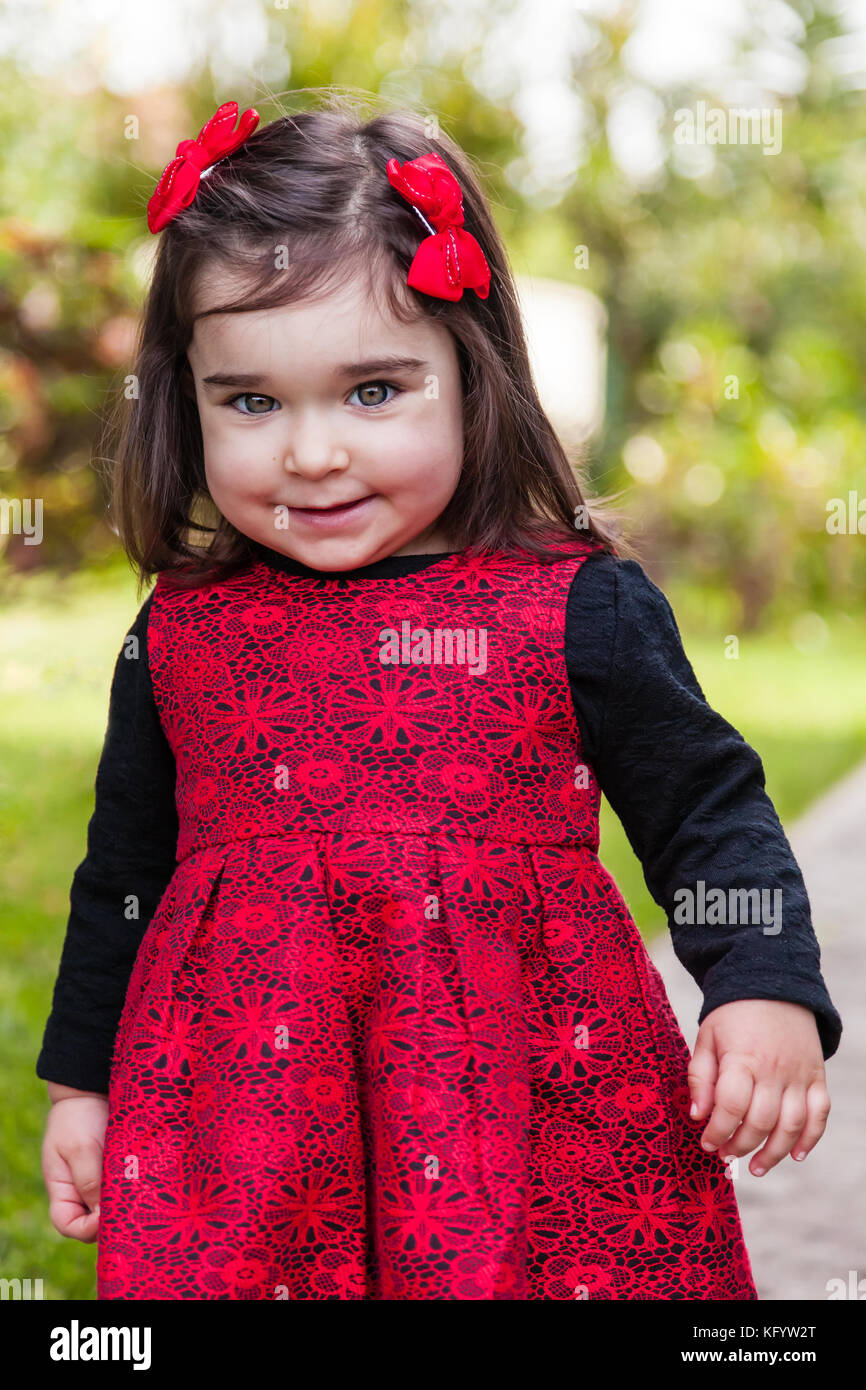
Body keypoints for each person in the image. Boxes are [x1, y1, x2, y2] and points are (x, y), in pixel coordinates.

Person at [37, 96, 841, 1301]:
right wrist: (83, 1084)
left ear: (470, 375)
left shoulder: (575, 606)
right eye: (250, 401)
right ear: (184, 399)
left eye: (372, 391)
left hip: (523, 1091)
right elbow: (123, 874)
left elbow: (704, 808)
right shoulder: (183, 633)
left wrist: (762, 982)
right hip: (247, 1115)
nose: (311, 452)